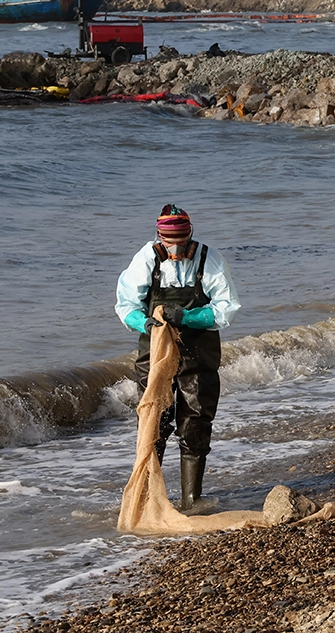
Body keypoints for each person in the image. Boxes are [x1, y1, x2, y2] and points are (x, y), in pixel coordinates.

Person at [116, 204, 240, 511]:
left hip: (199, 352)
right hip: (154, 353)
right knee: (154, 420)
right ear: (159, 236)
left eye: (182, 242)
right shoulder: (147, 259)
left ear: (190, 235)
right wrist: (142, 321)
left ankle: (191, 499)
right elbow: (125, 304)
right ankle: (147, 499)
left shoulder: (208, 259)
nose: (176, 249)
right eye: (170, 242)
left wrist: (189, 316)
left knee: (196, 420)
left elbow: (227, 308)